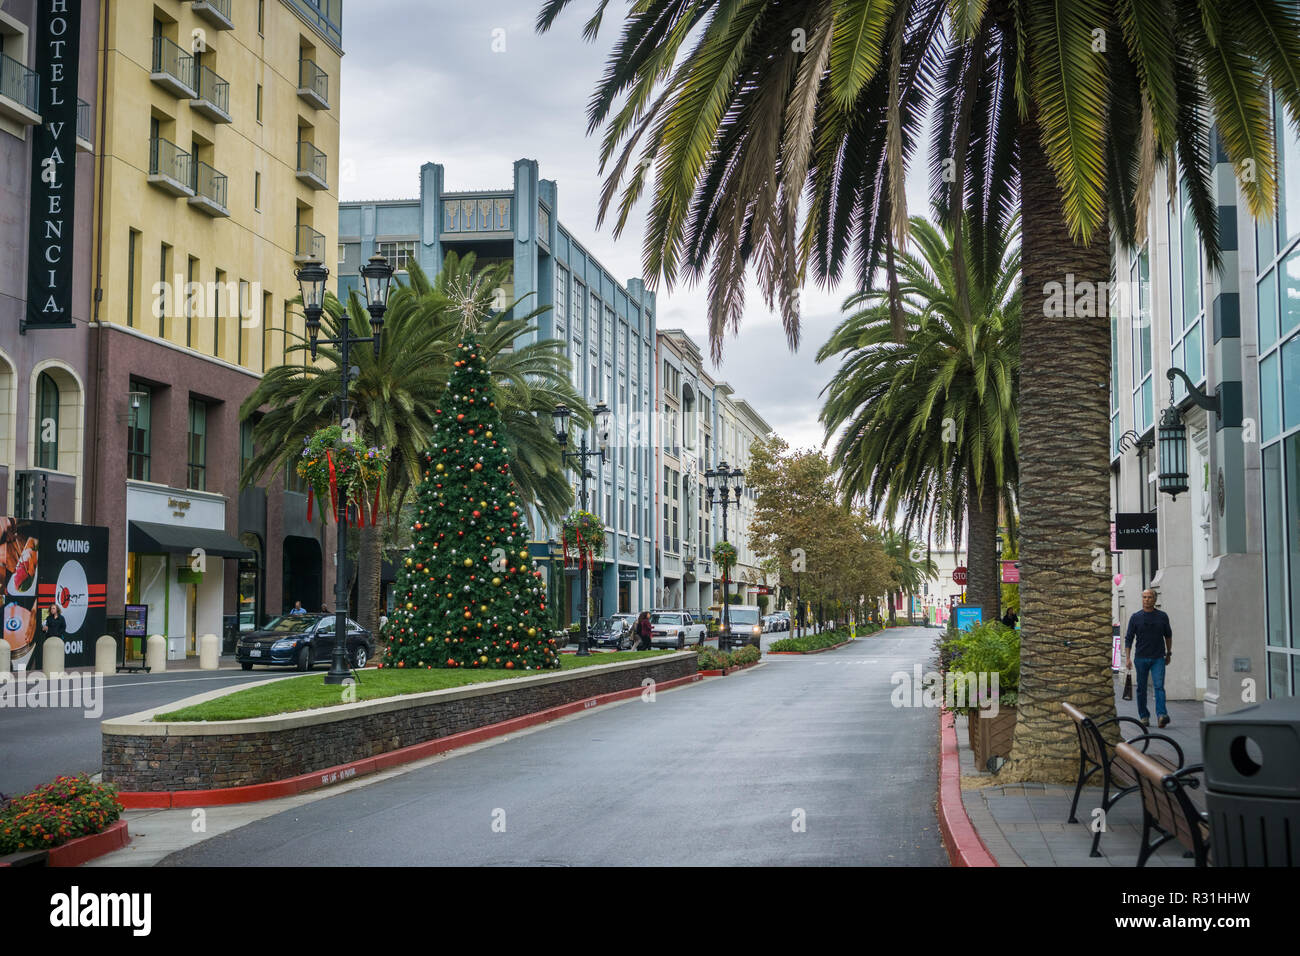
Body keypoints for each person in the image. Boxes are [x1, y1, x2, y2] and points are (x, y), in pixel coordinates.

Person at [1125, 588, 1173, 728]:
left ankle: (1161, 715)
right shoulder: (1135, 617)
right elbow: (1129, 638)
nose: (1147, 600)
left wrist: (1169, 653)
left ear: (1155, 599)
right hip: (1140, 658)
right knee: (1141, 688)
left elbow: (1168, 636)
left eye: (1150, 597)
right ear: (1142, 599)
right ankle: (1144, 716)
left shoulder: (1162, 616)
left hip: (1158, 657)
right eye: (1144, 597)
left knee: (1159, 687)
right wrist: (1127, 658)